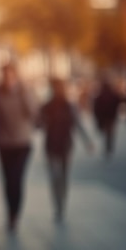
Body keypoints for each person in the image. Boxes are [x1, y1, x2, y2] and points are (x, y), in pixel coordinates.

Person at [39, 78, 92, 223]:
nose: (58, 90)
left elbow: (78, 123)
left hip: (65, 146)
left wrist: (87, 141)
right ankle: (58, 205)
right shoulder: (46, 106)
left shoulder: (70, 106)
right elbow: (37, 123)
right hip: (51, 147)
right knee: (55, 177)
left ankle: (62, 204)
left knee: (63, 177)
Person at [0, 63, 38, 233]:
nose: (7, 78)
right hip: (4, 143)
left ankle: (15, 214)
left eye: (10, 75)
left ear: (15, 75)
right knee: (7, 181)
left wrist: (23, 92)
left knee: (16, 179)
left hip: (22, 143)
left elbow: (33, 112)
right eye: (5, 74)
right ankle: (10, 212)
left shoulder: (24, 91)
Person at [92, 77, 123, 158]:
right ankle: (109, 147)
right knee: (110, 133)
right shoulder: (113, 95)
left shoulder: (100, 95)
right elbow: (119, 101)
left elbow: (96, 107)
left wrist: (98, 117)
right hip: (111, 117)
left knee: (108, 133)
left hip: (105, 117)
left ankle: (108, 147)